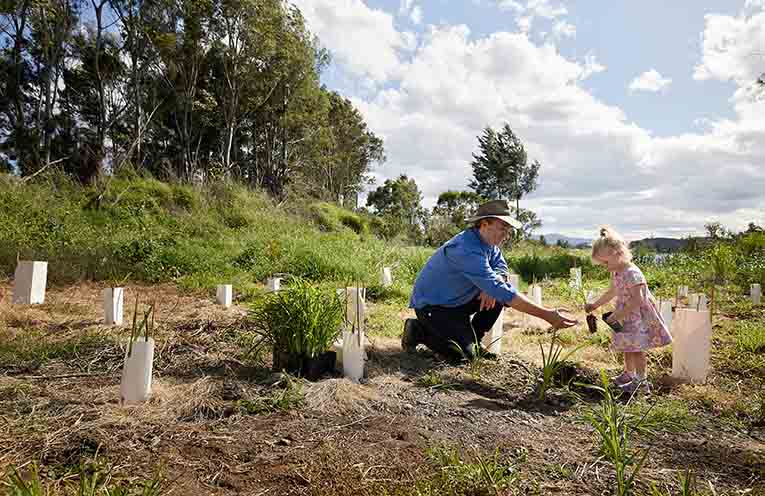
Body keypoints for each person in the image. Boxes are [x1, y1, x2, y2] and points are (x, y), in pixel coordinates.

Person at [402, 199, 578, 363]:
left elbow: (501, 269)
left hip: (458, 303)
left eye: (508, 230)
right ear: (484, 224)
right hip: (435, 307)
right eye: (503, 228)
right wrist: (546, 315)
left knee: (497, 296)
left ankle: (474, 341)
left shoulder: (490, 245)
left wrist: (492, 285)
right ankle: (418, 330)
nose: (506, 235)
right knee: (462, 357)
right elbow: (502, 290)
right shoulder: (465, 248)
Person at [585, 226, 672, 394]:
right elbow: (612, 292)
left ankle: (641, 383)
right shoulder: (617, 272)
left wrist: (617, 315)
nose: (604, 266)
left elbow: (638, 300)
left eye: (605, 262)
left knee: (637, 349)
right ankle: (629, 374)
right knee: (627, 346)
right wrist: (595, 305)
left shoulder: (632, 273)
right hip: (625, 316)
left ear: (617, 253)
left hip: (637, 316)